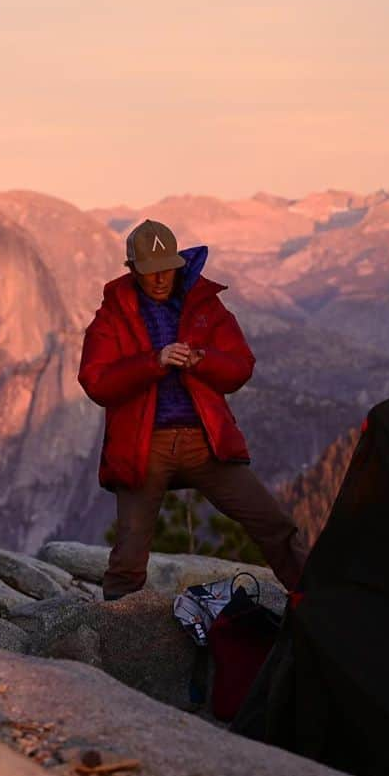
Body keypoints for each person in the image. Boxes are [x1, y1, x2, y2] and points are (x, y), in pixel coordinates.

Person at [78, 219, 307, 600]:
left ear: (179, 264)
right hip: (144, 447)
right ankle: (111, 636)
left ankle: (314, 600)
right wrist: (155, 361)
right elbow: (96, 381)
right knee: (130, 556)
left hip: (206, 443)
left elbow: (240, 367)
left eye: (166, 269)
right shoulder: (112, 316)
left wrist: (201, 359)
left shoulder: (205, 305)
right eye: (150, 272)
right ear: (133, 270)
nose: (160, 279)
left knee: (273, 524)